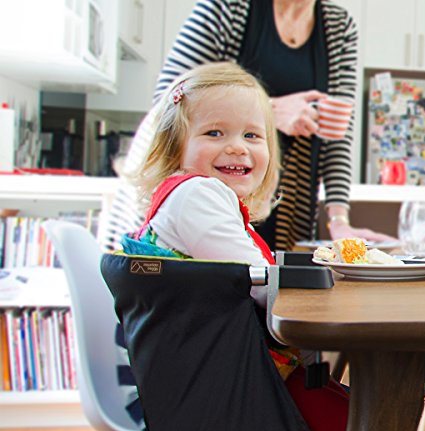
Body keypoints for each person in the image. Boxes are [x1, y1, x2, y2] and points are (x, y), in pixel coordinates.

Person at [124, 61, 350, 431]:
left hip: (216, 371)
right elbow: (264, 284)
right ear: (177, 147)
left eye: (252, 135)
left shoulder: (197, 196)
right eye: (214, 133)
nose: (237, 148)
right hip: (225, 382)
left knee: (340, 418)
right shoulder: (196, 196)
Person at [140, 0, 395, 252]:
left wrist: (339, 221)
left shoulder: (339, 26)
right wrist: (271, 112)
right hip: (210, 196)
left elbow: (337, 133)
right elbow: (169, 103)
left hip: (286, 199)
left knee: (268, 280)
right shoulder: (228, 8)